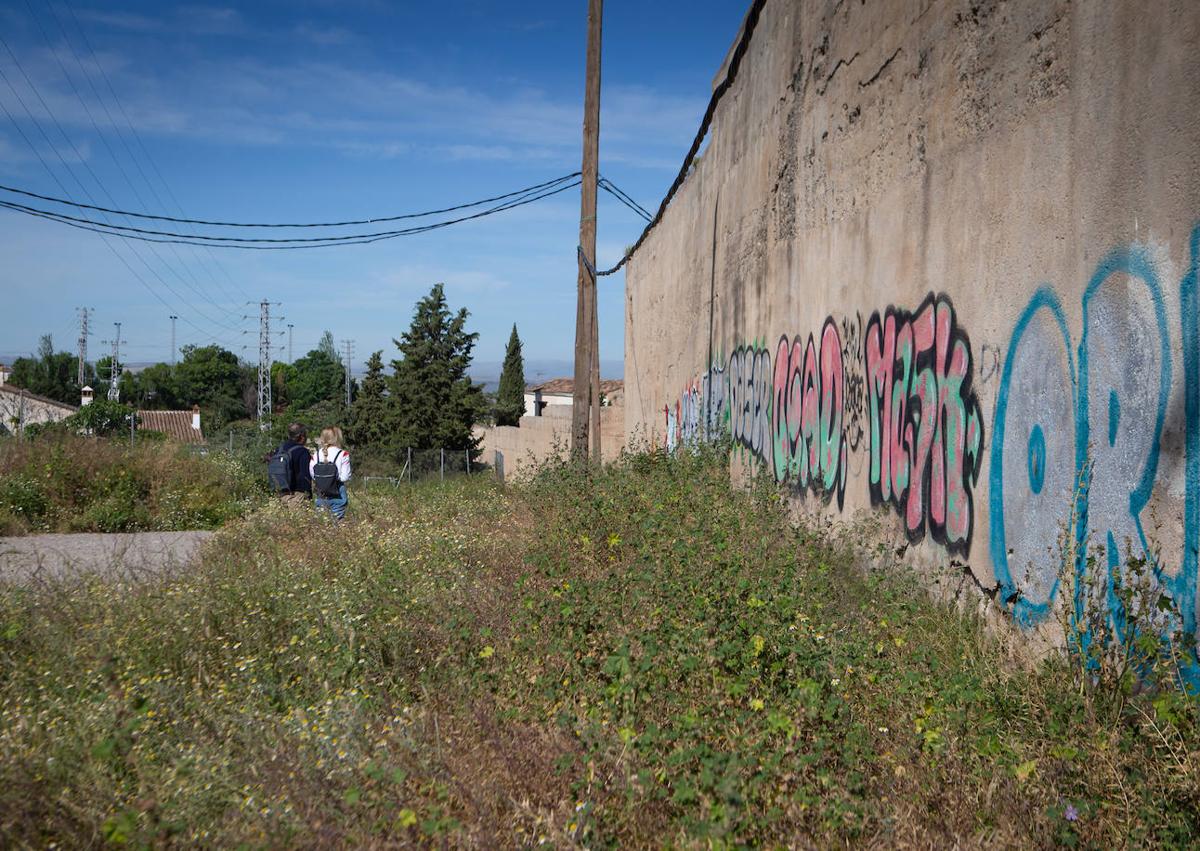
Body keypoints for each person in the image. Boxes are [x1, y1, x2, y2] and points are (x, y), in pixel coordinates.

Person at [310, 425, 352, 520]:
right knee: (338, 523)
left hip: (321, 491)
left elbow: (313, 474)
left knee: (322, 523)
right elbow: (345, 477)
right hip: (337, 490)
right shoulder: (343, 454)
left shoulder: (315, 455)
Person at [268, 422, 313, 503]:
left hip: (281, 492)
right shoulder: (302, 451)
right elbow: (305, 475)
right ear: (301, 436)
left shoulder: (279, 449)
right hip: (297, 494)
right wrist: (308, 494)